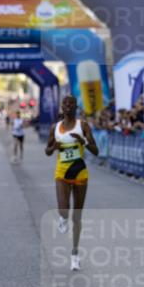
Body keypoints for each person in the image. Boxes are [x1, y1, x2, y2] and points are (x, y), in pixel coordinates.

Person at [45, 95, 99, 271]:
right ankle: (62, 218)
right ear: (62, 106)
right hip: (62, 173)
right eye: (65, 103)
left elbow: (96, 151)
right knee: (64, 210)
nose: (68, 106)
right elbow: (47, 151)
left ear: (76, 107)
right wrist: (54, 147)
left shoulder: (82, 126)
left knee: (77, 216)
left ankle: (75, 254)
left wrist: (83, 141)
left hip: (80, 173)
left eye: (71, 103)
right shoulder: (55, 127)